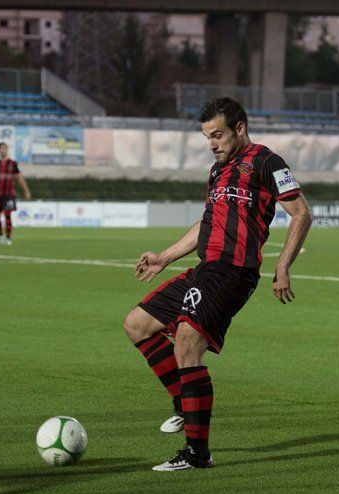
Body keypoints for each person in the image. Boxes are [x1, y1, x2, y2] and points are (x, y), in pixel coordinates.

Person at [122, 97, 312, 471]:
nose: (212, 143)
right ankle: (183, 401)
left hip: (232, 272)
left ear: (240, 128)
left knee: (188, 342)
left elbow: (301, 212)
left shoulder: (267, 162)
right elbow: (207, 222)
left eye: (218, 134)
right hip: (205, 269)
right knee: (137, 325)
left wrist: (283, 265)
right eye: (208, 136)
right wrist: (164, 257)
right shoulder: (217, 171)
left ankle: (196, 453)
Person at [0, 142, 30, 245]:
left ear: (7, 150)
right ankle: (0, 235)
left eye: (4, 148)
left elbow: (19, 178)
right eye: (1, 148)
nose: (2, 150)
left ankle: (8, 237)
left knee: (7, 215)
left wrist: (26, 190)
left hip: (9, 194)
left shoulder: (13, 164)